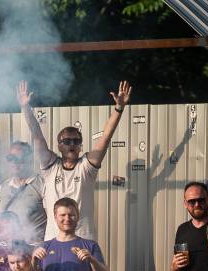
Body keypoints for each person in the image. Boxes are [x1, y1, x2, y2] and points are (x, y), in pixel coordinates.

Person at [16, 79, 131, 241]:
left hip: (83, 240)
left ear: (80, 146)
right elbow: (37, 135)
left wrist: (119, 108)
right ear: (59, 145)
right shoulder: (50, 166)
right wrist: (25, 108)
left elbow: (106, 136)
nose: (72, 144)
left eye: (76, 141)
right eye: (67, 141)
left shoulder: (86, 167)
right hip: (53, 241)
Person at [0, 141, 46, 243]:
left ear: (29, 160)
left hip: (34, 248)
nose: (15, 162)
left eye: (20, 158)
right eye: (11, 158)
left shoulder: (42, 185)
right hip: (8, 249)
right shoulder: (3, 187)